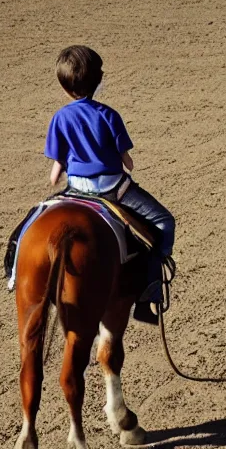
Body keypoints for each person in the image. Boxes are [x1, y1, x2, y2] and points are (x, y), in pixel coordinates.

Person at [44, 45, 175, 323]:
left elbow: (56, 169)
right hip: (113, 191)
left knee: (35, 221)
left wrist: (60, 175)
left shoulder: (59, 118)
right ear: (98, 81)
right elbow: (127, 162)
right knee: (165, 222)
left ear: (65, 87)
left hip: (76, 190)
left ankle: (15, 271)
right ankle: (150, 291)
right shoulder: (109, 115)